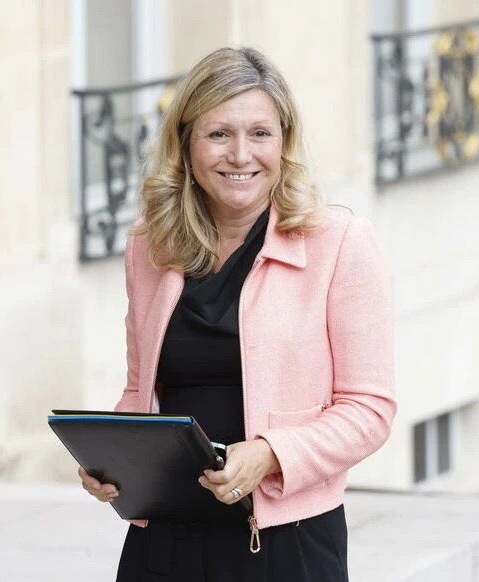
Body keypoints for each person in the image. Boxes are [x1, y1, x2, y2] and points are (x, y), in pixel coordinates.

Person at [78, 46, 396, 581]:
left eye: (260, 134)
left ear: (285, 142)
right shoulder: (148, 248)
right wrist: (110, 460)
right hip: (164, 538)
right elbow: (141, 394)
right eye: (219, 134)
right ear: (186, 143)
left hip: (284, 543)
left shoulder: (339, 244)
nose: (241, 155)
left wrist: (270, 455)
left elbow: (369, 409)